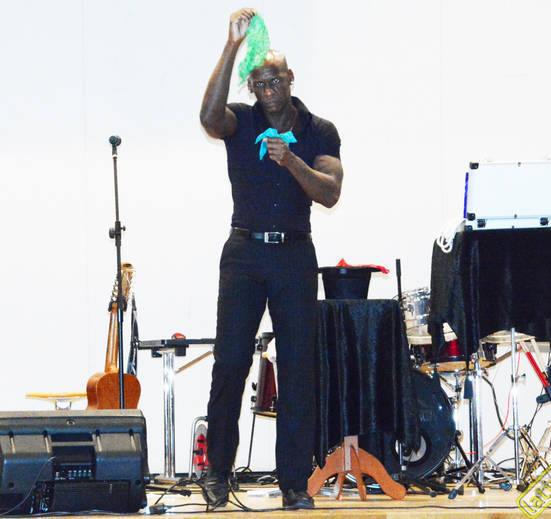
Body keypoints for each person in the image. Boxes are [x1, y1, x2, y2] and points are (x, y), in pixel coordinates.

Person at [199, 7, 343, 511]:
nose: (267, 89)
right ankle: (218, 473)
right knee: (230, 364)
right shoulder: (241, 121)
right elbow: (208, 118)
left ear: (290, 78)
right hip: (244, 254)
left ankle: (293, 483)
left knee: (299, 370)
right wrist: (231, 46)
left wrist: (292, 160)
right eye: (258, 82)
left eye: (274, 79)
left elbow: (330, 192)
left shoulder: (319, 129)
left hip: (295, 255)